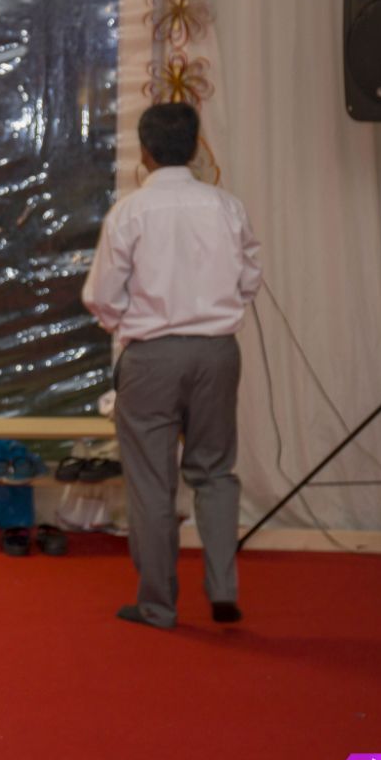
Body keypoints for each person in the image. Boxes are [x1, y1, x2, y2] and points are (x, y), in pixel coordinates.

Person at [83, 101, 262, 630]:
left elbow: (102, 296)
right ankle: (224, 588)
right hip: (217, 351)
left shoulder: (131, 212)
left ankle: (158, 604)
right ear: (196, 146)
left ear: (145, 151)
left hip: (151, 356)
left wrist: (128, 322)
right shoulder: (226, 207)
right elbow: (249, 280)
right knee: (215, 472)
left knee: (152, 483)